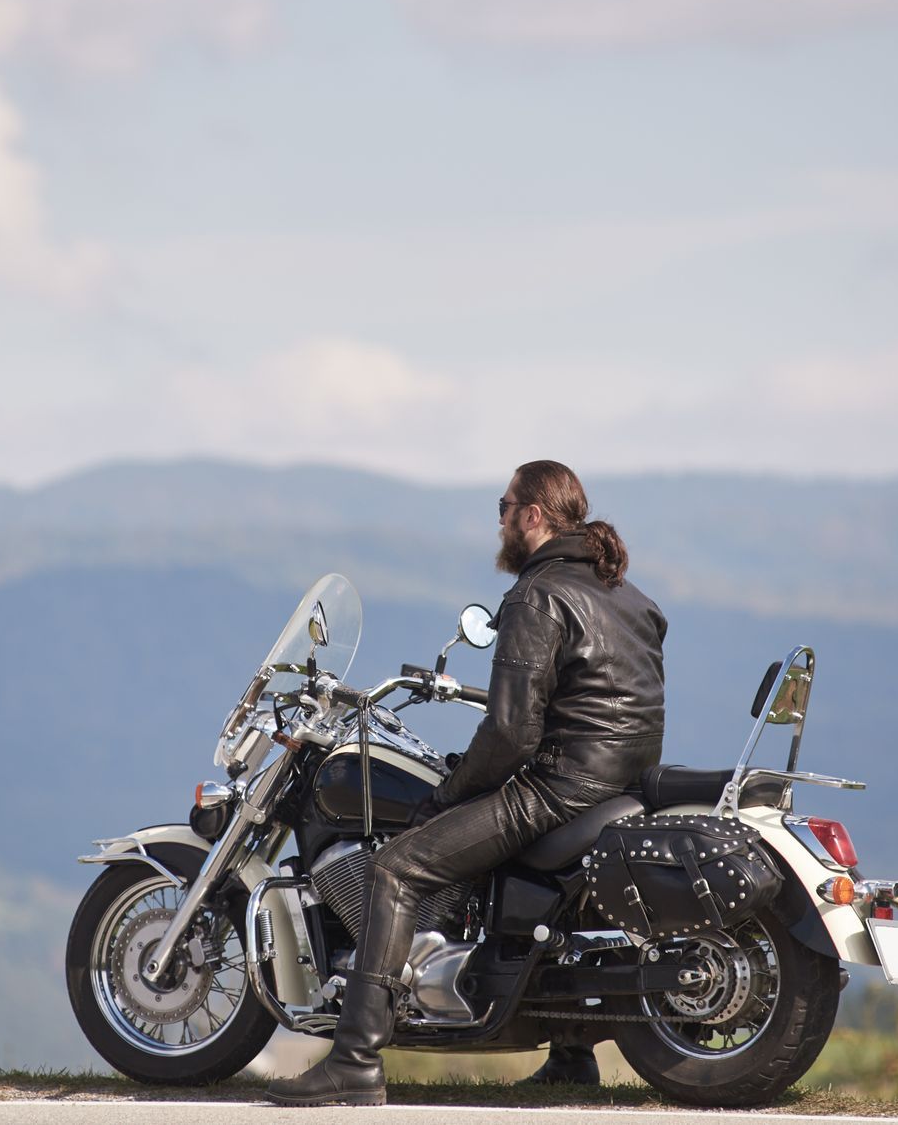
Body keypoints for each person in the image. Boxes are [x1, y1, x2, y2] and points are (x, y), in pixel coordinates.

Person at [265, 459, 667, 1107]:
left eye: (504, 507)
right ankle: (572, 1054)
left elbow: (510, 734)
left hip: (559, 787)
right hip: (618, 786)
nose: (501, 520)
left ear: (533, 516)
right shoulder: (628, 595)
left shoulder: (538, 595)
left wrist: (444, 798)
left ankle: (355, 1059)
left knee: (397, 867)